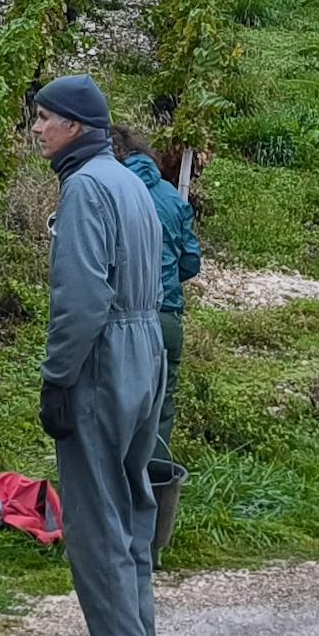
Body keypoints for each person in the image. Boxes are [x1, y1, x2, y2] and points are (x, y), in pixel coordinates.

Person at [28, 76, 168, 636]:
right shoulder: (131, 183)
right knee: (135, 507)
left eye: (44, 119)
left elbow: (81, 298)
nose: (36, 129)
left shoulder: (85, 188)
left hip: (103, 356)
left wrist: (59, 377)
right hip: (146, 350)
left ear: (75, 127)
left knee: (94, 511)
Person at [115, 123, 202, 442]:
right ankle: (157, 484)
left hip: (123, 317)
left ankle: (114, 485)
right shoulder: (170, 196)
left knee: (116, 406)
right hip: (167, 316)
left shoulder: (111, 191)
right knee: (160, 407)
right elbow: (191, 261)